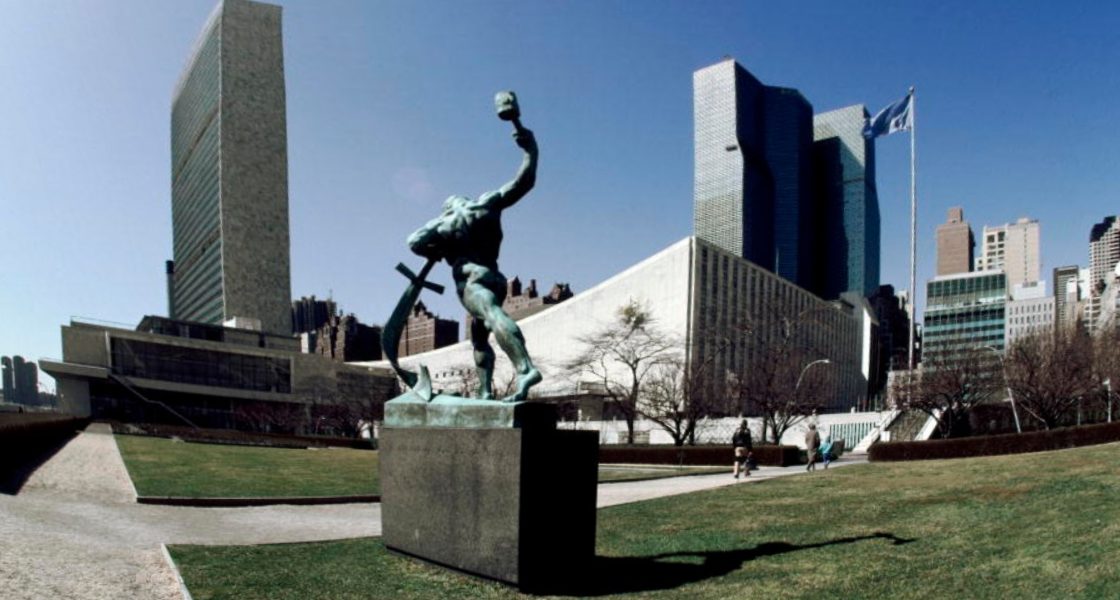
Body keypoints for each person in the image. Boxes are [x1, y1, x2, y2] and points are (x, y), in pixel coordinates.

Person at [406, 125, 542, 402]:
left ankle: (525, 368)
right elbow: (523, 182)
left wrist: (440, 248)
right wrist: (531, 151)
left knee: (491, 315)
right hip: (495, 278)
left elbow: (414, 242)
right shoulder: (486, 205)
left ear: (448, 207)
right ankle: (485, 391)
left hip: (471, 281)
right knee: (479, 338)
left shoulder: (444, 222)